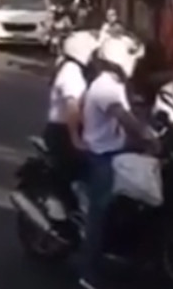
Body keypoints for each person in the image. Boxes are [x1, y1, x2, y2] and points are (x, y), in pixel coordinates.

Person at [77, 35, 158, 289]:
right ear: (120, 58)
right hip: (102, 157)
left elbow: (131, 114)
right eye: (131, 57)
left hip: (114, 150)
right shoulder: (105, 87)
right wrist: (147, 137)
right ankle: (88, 275)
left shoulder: (113, 83)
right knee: (98, 214)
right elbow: (124, 118)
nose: (134, 62)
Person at [46, 31, 98, 196]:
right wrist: (75, 138)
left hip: (62, 129)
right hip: (64, 132)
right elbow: (72, 107)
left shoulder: (69, 66)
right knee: (77, 174)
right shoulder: (72, 73)